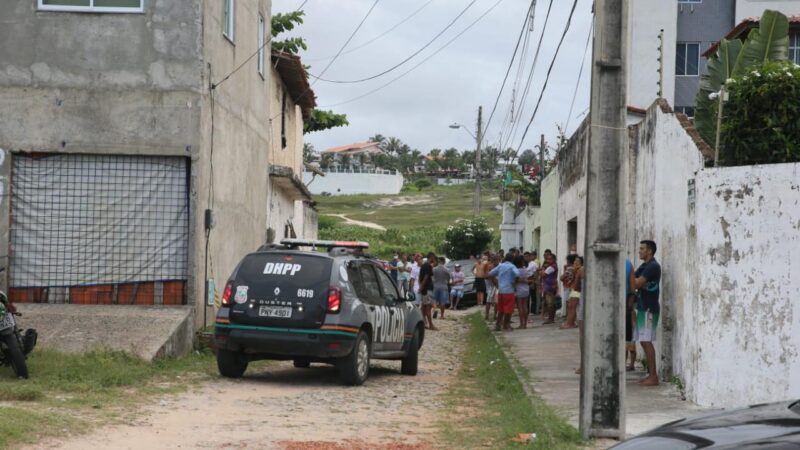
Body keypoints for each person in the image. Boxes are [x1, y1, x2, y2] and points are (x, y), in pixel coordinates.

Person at [631, 240, 661, 386]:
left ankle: (653, 376)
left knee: (646, 341)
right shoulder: (644, 266)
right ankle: (650, 374)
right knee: (643, 340)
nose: (639, 251)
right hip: (643, 307)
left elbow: (636, 283)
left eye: (642, 249)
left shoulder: (653, 266)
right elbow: (633, 278)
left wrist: (628, 273)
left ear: (650, 251)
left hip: (649, 308)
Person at [488, 254, 520, 331]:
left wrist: (495, 283)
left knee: (501, 309)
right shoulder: (512, 266)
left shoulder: (500, 266)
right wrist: (515, 283)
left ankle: (498, 325)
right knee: (508, 310)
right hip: (509, 290)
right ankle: (506, 325)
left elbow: (490, 274)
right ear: (512, 259)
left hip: (501, 290)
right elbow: (518, 274)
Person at [572, 256, 585, 374]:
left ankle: (583, 365)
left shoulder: (582, 270)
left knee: (583, 336)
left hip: (585, 306)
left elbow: (576, 287)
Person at [560, 254, 579, 329]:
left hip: (569, 287)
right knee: (571, 306)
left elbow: (562, 278)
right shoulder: (575, 268)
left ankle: (570, 322)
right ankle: (571, 321)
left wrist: (565, 270)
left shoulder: (570, 269)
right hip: (571, 287)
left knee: (570, 306)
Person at [513, 255, 532, 329]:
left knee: (520, 307)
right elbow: (526, 279)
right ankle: (525, 324)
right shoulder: (525, 269)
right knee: (525, 306)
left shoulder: (516, 270)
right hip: (526, 289)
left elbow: (516, 280)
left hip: (519, 289)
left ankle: (521, 324)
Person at [419, 253, 437, 330]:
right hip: (427, 289)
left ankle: (424, 323)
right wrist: (422, 286)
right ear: (431, 257)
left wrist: (421, 287)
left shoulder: (423, 265)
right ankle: (431, 325)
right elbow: (426, 277)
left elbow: (421, 277)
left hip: (424, 290)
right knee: (428, 308)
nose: (434, 259)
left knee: (423, 307)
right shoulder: (428, 266)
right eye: (433, 258)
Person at [625, 258, 637, 371]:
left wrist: (629, 307)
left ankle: (631, 363)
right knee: (627, 338)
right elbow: (633, 289)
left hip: (625, 307)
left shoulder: (627, 264)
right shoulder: (628, 264)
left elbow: (632, 290)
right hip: (626, 306)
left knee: (629, 339)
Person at [541, 253, 559, 324]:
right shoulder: (553, 266)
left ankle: (550, 318)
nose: (548, 260)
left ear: (554, 259)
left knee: (550, 303)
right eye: (547, 259)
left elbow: (543, 274)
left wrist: (542, 270)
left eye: (550, 259)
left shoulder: (551, 267)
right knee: (551, 303)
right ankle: (551, 318)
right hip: (550, 285)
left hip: (549, 286)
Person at [485, 254, 499, 321]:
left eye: (495, 260)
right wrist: (493, 279)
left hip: (497, 286)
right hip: (491, 286)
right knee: (488, 301)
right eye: (493, 260)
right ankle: (487, 315)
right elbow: (486, 276)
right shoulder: (490, 267)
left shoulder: (500, 266)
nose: (494, 261)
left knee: (496, 302)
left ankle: (495, 315)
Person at [527, 251, 541, 316]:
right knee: (526, 297)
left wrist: (534, 282)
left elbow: (536, 273)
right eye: (525, 256)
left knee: (533, 297)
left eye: (527, 256)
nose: (526, 258)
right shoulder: (525, 264)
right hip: (526, 281)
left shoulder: (533, 264)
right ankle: (526, 310)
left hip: (532, 281)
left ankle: (533, 311)